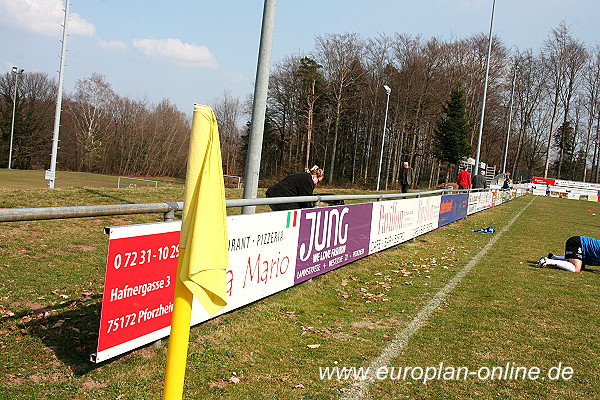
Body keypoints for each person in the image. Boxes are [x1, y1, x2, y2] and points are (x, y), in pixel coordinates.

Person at [536, 236, 600, 272]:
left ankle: (554, 257)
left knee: (581, 268)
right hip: (577, 243)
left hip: (580, 245)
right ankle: (547, 261)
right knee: (577, 269)